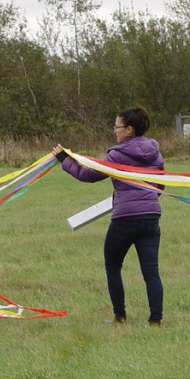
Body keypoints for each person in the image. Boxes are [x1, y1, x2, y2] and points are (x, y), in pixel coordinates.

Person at [53, 106, 165, 326]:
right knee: (151, 271)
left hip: (124, 219)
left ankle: (120, 317)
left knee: (113, 266)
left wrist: (64, 159)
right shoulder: (156, 153)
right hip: (152, 217)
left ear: (129, 129)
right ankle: (156, 320)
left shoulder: (117, 154)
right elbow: (160, 185)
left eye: (117, 126)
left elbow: (87, 175)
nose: (115, 131)